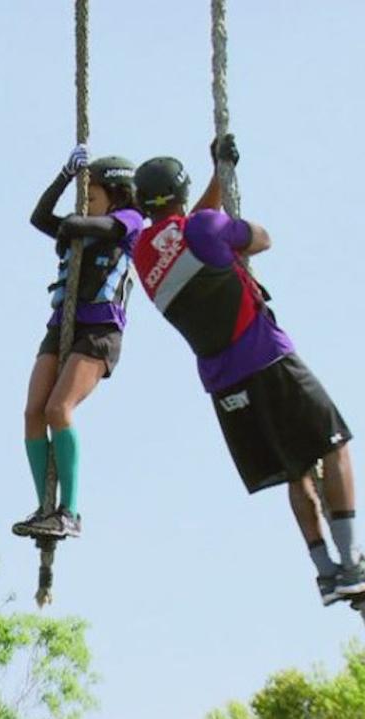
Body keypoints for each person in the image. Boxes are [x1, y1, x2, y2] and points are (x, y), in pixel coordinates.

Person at [132, 136, 363, 605]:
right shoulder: (204, 228)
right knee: (334, 445)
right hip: (268, 358)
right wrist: (223, 185)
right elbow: (260, 237)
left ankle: (325, 574)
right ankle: (352, 560)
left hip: (224, 384)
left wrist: (220, 174)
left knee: (296, 472)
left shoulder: (144, 252)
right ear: (182, 193)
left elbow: (188, 229)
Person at [12, 147, 144, 539]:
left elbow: (102, 229)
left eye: (93, 196)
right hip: (61, 327)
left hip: (99, 330)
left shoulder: (130, 219)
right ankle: (44, 507)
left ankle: (70, 511)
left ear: (116, 194)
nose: (86, 205)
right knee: (33, 411)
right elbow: (40, 218)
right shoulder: (78, 227)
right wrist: (65, 175)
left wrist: (74, 222)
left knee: (59, 407)